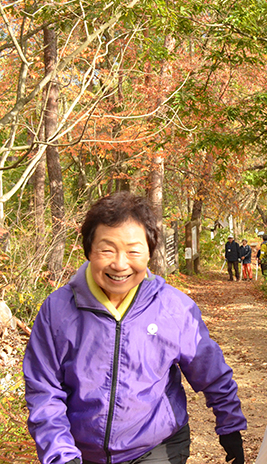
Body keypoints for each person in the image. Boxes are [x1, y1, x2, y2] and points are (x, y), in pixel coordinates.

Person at [23, 192, 246, 464]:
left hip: (157, 447)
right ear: (89, 250)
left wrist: (230, 425)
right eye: (107, 249)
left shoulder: (173, 308)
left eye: (133, 251)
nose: (119, 263)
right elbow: (44, 389)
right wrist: (61, 454)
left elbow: (210, 372)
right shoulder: (57, 310)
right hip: (80, 451)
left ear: (149, 253)